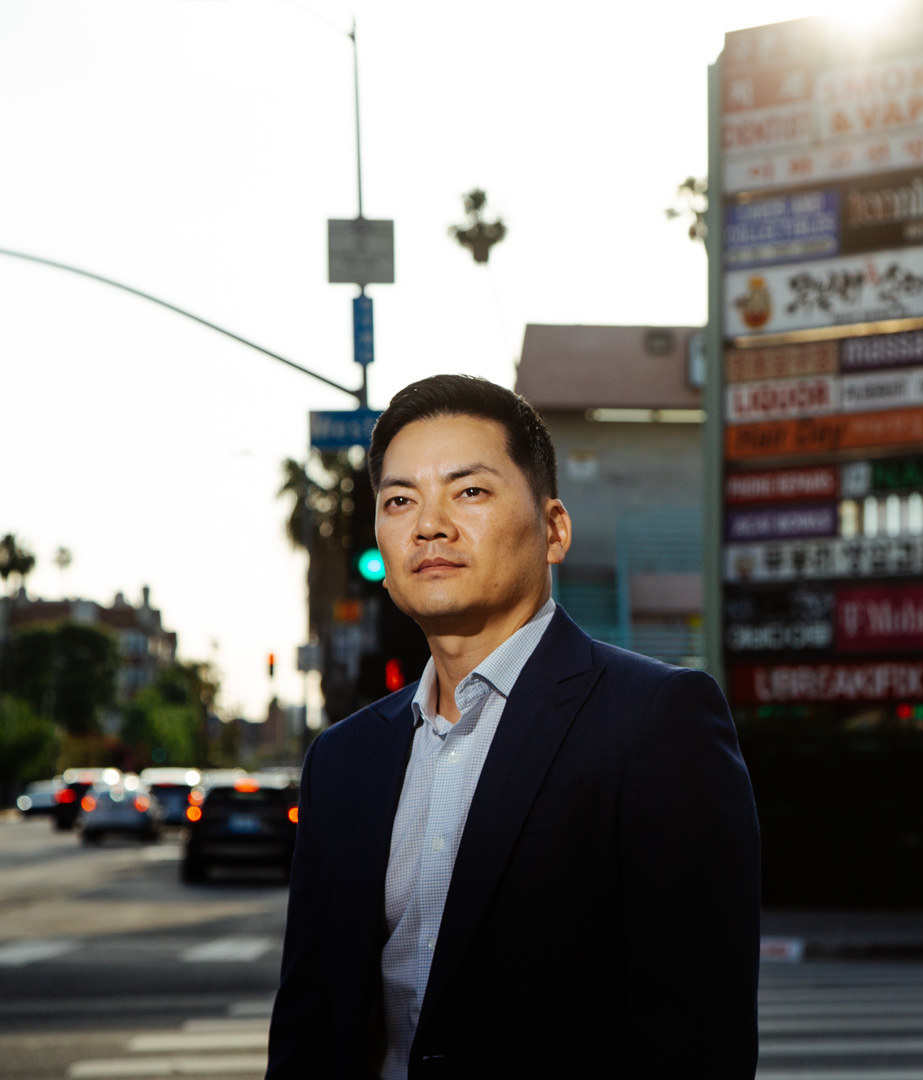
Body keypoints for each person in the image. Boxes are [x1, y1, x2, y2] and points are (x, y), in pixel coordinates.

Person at [266, 374, 761, 1080]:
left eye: (469, 491)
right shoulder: (344, 761)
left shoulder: (656, 722)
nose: (429, 524)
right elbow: (308, 1035)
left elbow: (698, 1039)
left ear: (554, 529)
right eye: (400, 500)